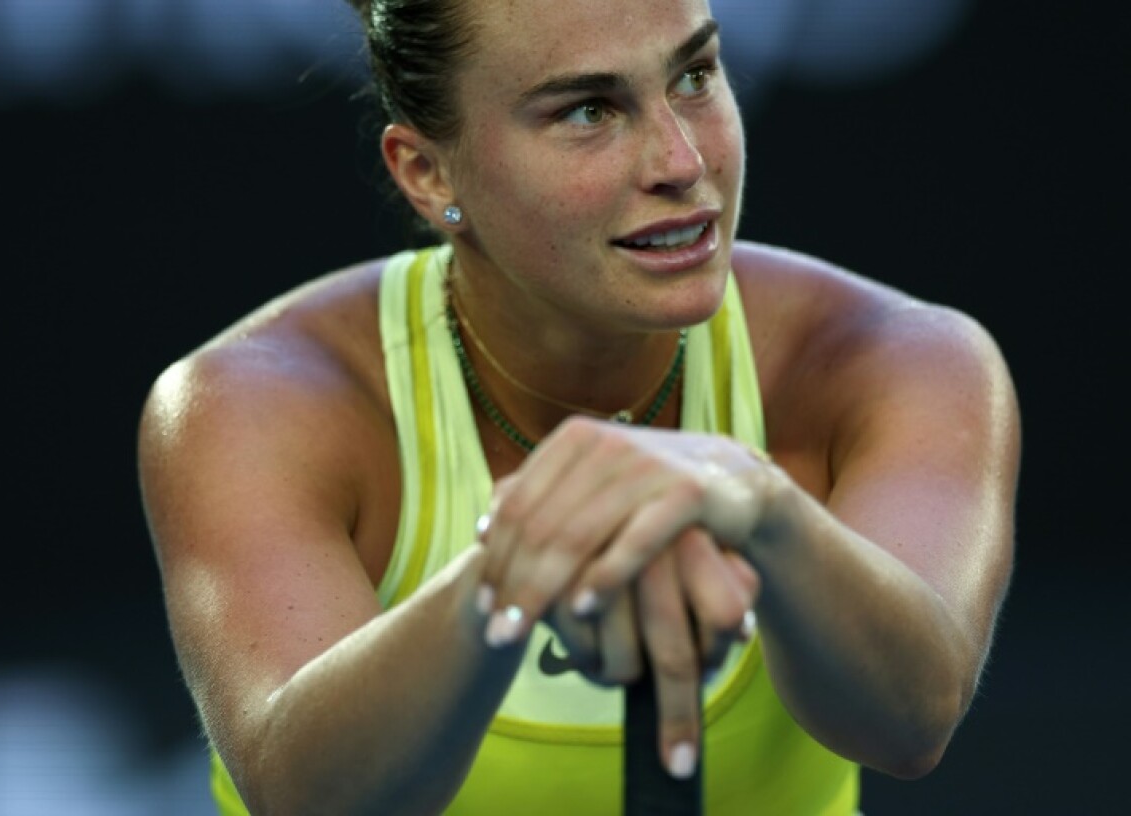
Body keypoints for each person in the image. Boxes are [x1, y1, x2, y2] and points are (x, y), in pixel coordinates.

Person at [136, 0, 1020, 813]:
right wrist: (526, 557)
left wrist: (754, 501)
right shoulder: (250, 403)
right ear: (426, 170)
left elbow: (911, 721)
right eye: (588, 111)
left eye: (695, 76)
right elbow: (306, 796)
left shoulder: (897, 359)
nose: (683, 161)